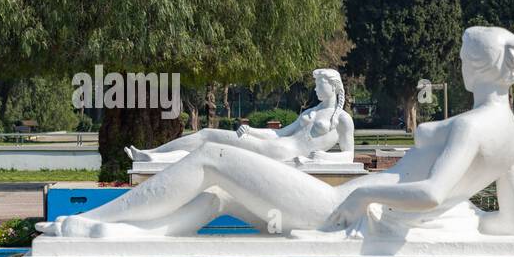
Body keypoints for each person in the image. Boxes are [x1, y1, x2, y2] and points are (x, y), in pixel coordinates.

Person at [39, 27, 514, 240]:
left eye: (464, 58)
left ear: (476, 67)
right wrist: (463, 218)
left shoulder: (469, 126)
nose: (458, 64)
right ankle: (119, 234)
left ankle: (86, 222)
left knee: (214, 155)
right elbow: (513, 226)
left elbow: (428, 193)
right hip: (350, 209)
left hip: (340, 212)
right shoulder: (509, 135)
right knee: (220, 197)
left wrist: (366, 200)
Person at [127, 69, 352, 163]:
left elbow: (348, 156)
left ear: (334, 86)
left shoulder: (342, 119)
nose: (314, 89)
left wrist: (322, 158)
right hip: (278, 146)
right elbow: (279, 133)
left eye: (319, 84)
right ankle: (155, 157)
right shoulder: (311, 111)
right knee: (208, 144)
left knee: (207, 136)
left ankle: (153, 154)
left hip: (284, 154)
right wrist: (252, 130)